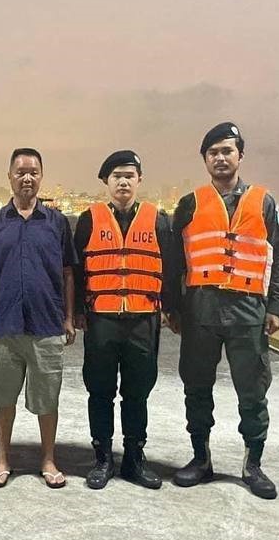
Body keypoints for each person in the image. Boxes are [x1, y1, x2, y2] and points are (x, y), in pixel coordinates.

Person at [168, 122, 279, 500]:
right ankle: (200, 458)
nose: (220, 158)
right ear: (205, 159)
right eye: (213, 152)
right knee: (196, 387)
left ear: (240, 155)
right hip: (200, 311)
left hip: (248, 312)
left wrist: (276, 306)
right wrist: (173, 307)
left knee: (253, 391)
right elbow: (173, 261)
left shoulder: (264, 202)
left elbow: (278, 255)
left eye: (227, 151)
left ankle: (253, 465)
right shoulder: (190, 203)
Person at [0, 148, 76, 489]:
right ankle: (3, 459)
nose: (27, 178)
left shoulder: (57, 223)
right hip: (4, 326)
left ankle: (48, 459)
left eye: (33, 172)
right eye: (20, 172)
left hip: (47, 325)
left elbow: (67, 273)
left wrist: (68, 318)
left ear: (41, 176)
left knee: (47, 399)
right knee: (3, 399)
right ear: (10, 177)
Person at [73, 150, 176, 489]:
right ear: (106, 181)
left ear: (139, 180)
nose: (123, 182)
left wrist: (170, 309)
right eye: (117, 176)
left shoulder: (158, 220)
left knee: (138, 392)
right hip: (101, 320)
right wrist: (77, 311)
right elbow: (76, 270)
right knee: (99, 390)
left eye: (129, 176)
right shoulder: (89, 219)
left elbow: (170, 268)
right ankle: (103, 458)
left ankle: (134, 458)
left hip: (143, 320)